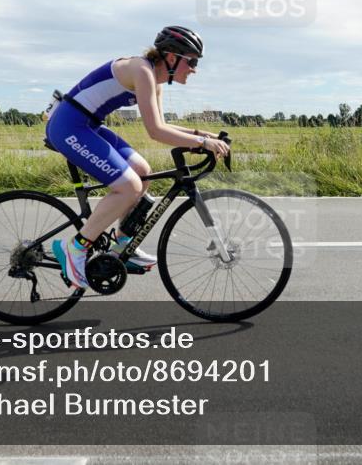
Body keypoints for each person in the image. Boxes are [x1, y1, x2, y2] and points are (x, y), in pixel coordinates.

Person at [44, 26, 230, 290]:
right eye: (192, 61)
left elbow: (164, 125)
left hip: (88, 125)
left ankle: (122, 244)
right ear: (171, 57)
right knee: (128, 186)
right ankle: (74, 248)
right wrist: (202, 142)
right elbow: (155, 132)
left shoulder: (154, 82)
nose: (195, 69)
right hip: (68, 126)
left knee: (141, 171)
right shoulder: (141, 70)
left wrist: (203, 135)